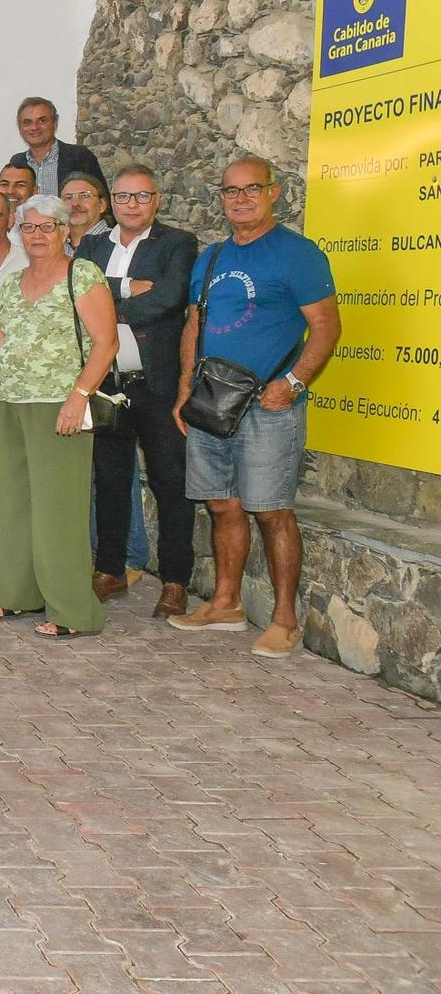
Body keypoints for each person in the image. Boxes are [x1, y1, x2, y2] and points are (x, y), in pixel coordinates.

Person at [169, 156, 339, 659]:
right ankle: (225, 603)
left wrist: (294, 381)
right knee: (222, 504)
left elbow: (326, 327)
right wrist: (184, 391)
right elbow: (194, 326)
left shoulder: (298, 255)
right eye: (231, 191)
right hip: (212, 401)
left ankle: (285, 619)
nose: (241, 199)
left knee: (271, 510)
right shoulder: (213, 257)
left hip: (269, 404)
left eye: (251, 189)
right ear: (220, 198)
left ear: (274, 192)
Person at [0, 194, 119, 638]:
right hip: (12, 405)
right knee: (13, 504)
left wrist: (78, 397)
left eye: (46, 227)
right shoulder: (12, 284)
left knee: (59, 510)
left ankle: (73, 610)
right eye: (29, 227)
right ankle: (20, 594)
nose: (37, 235)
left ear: (63, 230)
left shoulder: (82, 275)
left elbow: (106, 343)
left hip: (60, 406)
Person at [80, 166, 199, 616]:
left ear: (157, 200)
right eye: (123, 196)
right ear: (111, 201)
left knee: (171, 483)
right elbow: (76, 291)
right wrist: (126, 287)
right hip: (106, 383)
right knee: (109, 480)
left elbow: (169, 297)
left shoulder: (177, 243)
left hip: (157, 385)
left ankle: (174, 581)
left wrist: (104, 304)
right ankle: (110, 570)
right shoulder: (93, 244)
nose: (132, 204)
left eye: (141, 196)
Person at [0, 97, 106, 205]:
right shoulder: (18, 161)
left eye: (42, 121)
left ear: (54, 123)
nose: (34, 127)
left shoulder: (79, 157)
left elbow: (102, 198)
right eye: (27, 122)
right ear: (20, 127)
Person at [59, 172, 111, 250]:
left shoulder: (118, 242)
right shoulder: (53, 246)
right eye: (68, 198)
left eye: (85, 196)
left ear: (102, 205)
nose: (75, 204)